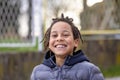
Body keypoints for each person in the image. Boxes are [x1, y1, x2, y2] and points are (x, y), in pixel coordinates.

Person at [30, 14, 104, 80]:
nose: (59, 38)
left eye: (65, 35)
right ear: (49, 42)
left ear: (76, 42)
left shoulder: (89, 71)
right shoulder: (37, 72)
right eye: (54, 35)